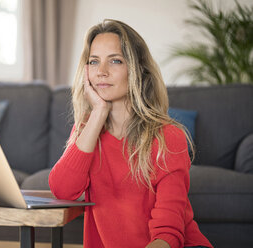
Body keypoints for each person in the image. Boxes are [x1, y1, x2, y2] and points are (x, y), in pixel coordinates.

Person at [48, 19, 213, 248]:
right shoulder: (88, 131)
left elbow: (168, 232)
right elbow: (62, 190)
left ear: (137, 70)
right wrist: (98, 113)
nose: (102, 72)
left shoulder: (168, 136)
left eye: (115, 61)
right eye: (94, 62)